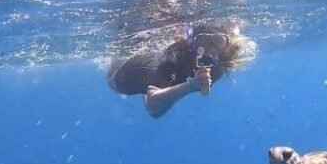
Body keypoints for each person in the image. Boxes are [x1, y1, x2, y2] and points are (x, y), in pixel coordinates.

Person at [107, 24, 253, 118]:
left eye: (218, 42)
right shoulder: (173, 60)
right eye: (204, 42)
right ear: (192, 44)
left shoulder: (217, 66)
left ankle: (148, 85)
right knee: (156, 108)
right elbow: (153, 107)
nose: (210, 49)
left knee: (156, 90)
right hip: (123, 75)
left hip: (151, 71)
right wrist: (191, 86)